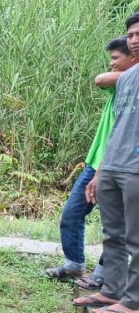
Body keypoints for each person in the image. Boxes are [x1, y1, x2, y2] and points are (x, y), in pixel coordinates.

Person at [47, 36, 136, 286]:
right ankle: (74, 264)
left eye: (116, 58)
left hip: (116, 165)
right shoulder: (122, 85)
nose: (111, 63)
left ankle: (103, 276)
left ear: (133, 58)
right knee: (72, 215)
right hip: (96, 163)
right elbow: (100, 80)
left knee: (116, 228)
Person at [77, 13, 139, 313]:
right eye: (131, 34)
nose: (134, 39)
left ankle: (135, 301)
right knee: (113, 234)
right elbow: (118, 126)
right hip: (114, 164)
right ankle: (113, 290)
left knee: (136, 238)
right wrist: (100, 171)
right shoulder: (127, 78)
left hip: (136, 170)